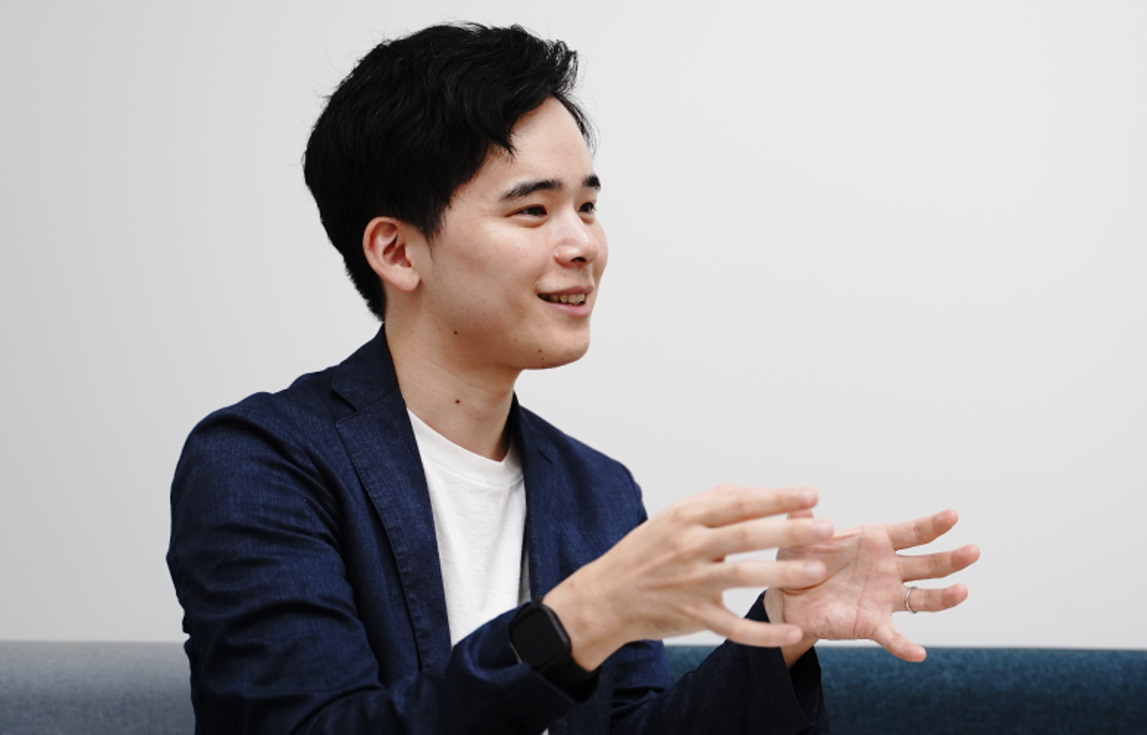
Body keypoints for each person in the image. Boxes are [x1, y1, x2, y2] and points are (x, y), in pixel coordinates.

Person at [166, 22, 979, 735]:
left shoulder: (596, 490)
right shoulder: (263, 462)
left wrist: (782, 627)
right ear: (397, 251)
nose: (584, 244)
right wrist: (582, 617)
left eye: (587, 207)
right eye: (533, 210)